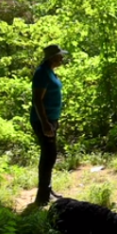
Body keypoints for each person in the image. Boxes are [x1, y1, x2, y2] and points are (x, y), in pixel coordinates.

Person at [31, 44, 67, 206]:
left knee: (50, 155)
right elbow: (37, 100)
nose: (62, 58)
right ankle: (42, 196)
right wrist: (45, 123)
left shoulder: (49, 72)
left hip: (51, 120)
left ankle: (47, 190)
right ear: (52, 58)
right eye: (59, 55)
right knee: (48, 156)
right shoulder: (41, 73)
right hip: (42, 121)